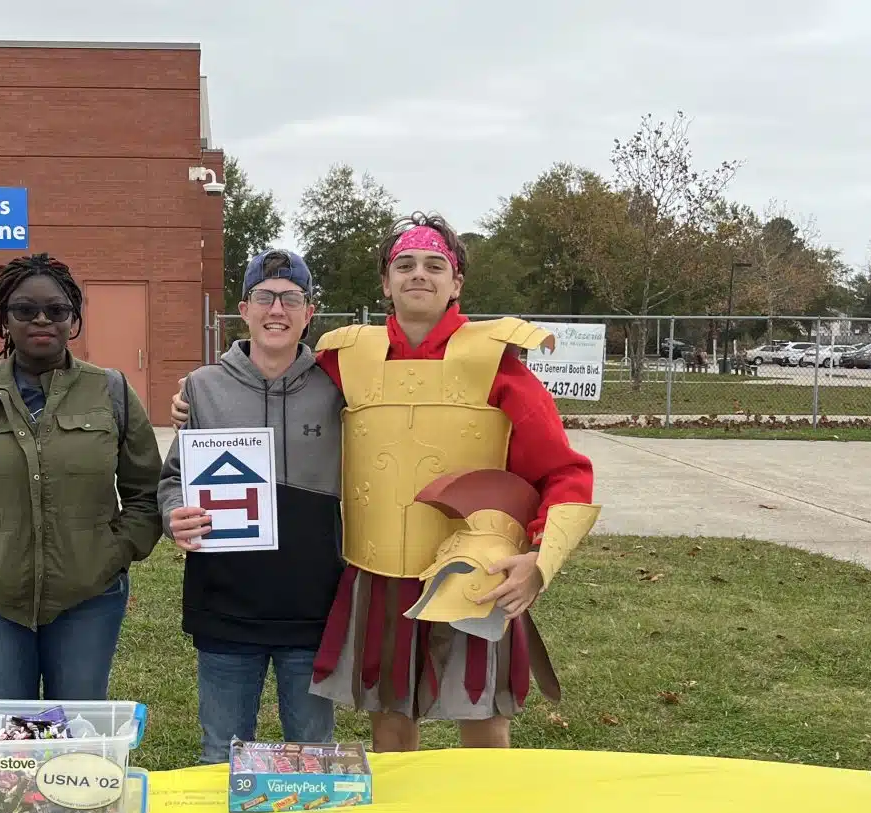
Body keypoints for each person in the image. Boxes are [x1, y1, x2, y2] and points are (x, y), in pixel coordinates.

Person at [174, 215, 598, 752]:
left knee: (484, 721)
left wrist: (539, 558)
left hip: (478, 567)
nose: (418, 274)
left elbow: (563, 471)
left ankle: (487, 809)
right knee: (391, 720)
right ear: (385, 282)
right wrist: (201, 397)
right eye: (405, 264)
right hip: (379, 574)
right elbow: (276, 376)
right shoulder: (346, 359)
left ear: (456, 282)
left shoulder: (498, 363)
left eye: (434, 265)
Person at [0, 253, 162, 701]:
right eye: (25, 309)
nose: (42, 319)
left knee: (78, 725)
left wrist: (115, 552)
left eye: (57, 309)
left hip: (90, 594)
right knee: (6, 730)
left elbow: (146, 492)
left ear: (74, 319)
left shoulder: (112, 391)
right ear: (4, 320)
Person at [160, 250, 344, 763]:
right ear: (243, 310)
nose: (276, 310)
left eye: (291, 299)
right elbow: (173, 479)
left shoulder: (339, 389)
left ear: (309, 313)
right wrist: (174, 514)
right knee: (221, 754)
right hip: (225, 602)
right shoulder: (202, 388)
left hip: (313, 603)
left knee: (312, 757)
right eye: (264, 297)